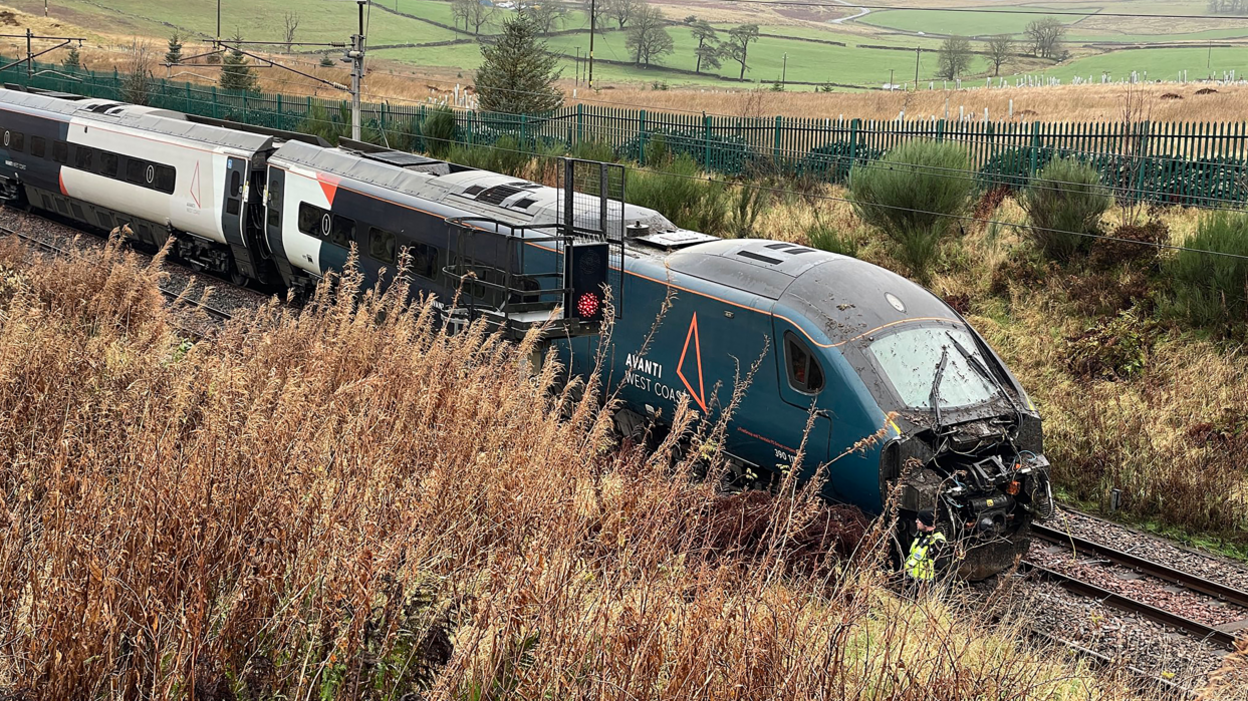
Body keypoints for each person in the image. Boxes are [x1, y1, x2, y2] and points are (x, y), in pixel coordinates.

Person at [904, 509, 948, 592]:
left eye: (919, 520)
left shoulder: (938, 542)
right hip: (913, 584)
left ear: (925, 523)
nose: (916, 521)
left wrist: (934, 590)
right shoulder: (919, 535)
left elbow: (941, 570)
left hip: (926, 587)